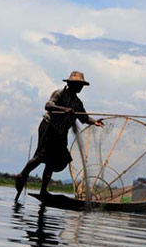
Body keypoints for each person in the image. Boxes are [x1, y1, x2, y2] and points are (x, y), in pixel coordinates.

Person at [14, 71, 104, 201]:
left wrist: (94, 122)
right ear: (70, 84)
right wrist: (64, 109)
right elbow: (48, 105)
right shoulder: (59, 94)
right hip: (49, 127)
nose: (80, 88)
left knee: (53, 160)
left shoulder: (77, 103)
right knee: (41, 156)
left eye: (81, 86)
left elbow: (83, 117)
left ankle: (43, 190)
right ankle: (22, 175)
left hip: (61, 132)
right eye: (78, 85)